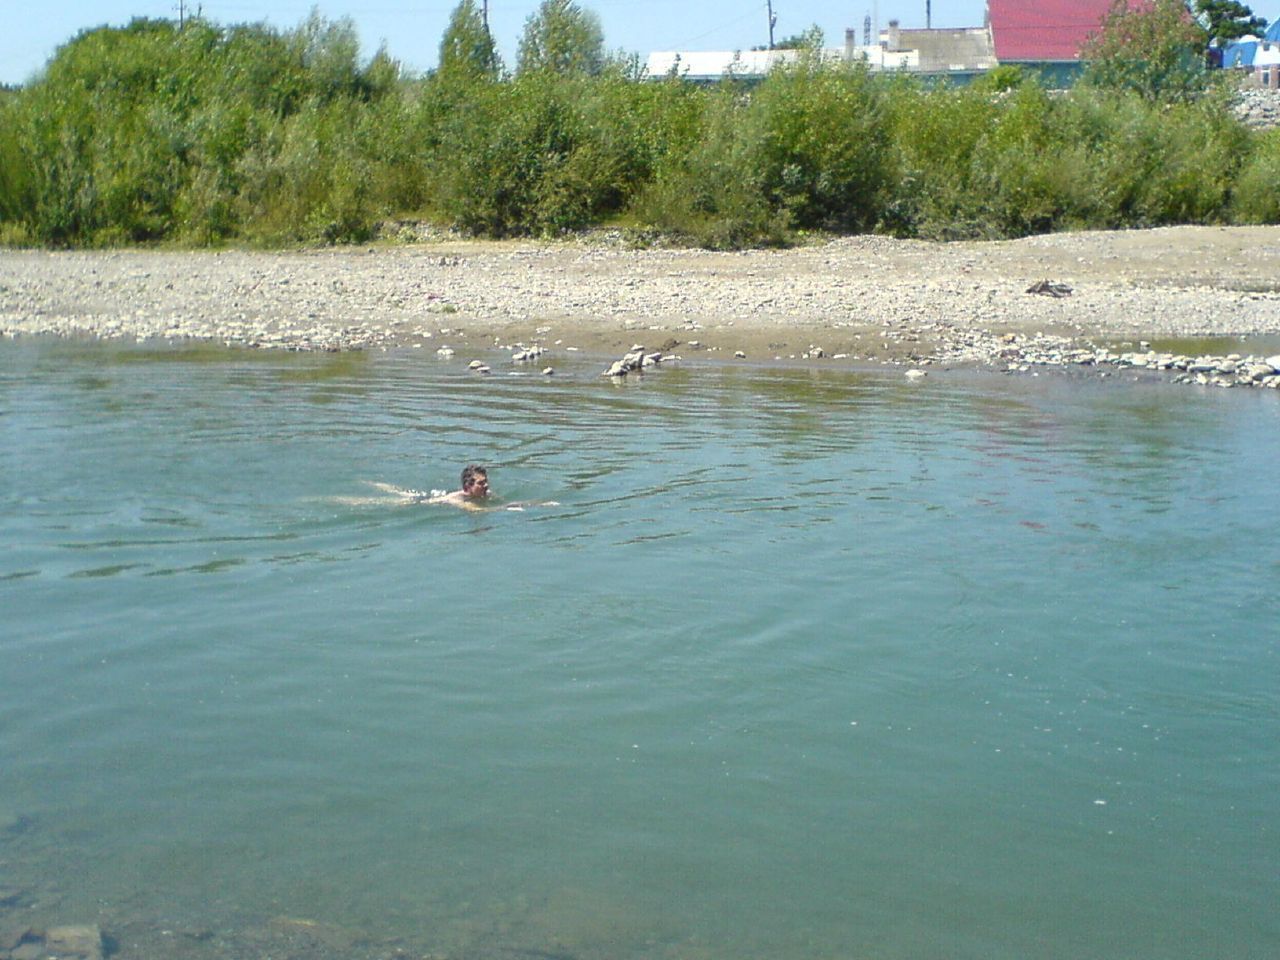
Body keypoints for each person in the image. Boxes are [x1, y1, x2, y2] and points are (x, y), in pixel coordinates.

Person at [423, 464, 491, 510]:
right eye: (480, 483)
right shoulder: (456, 499)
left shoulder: (487, 492)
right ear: (468, 487)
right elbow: (476, 510)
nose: (486, 485)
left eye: (485, 481)